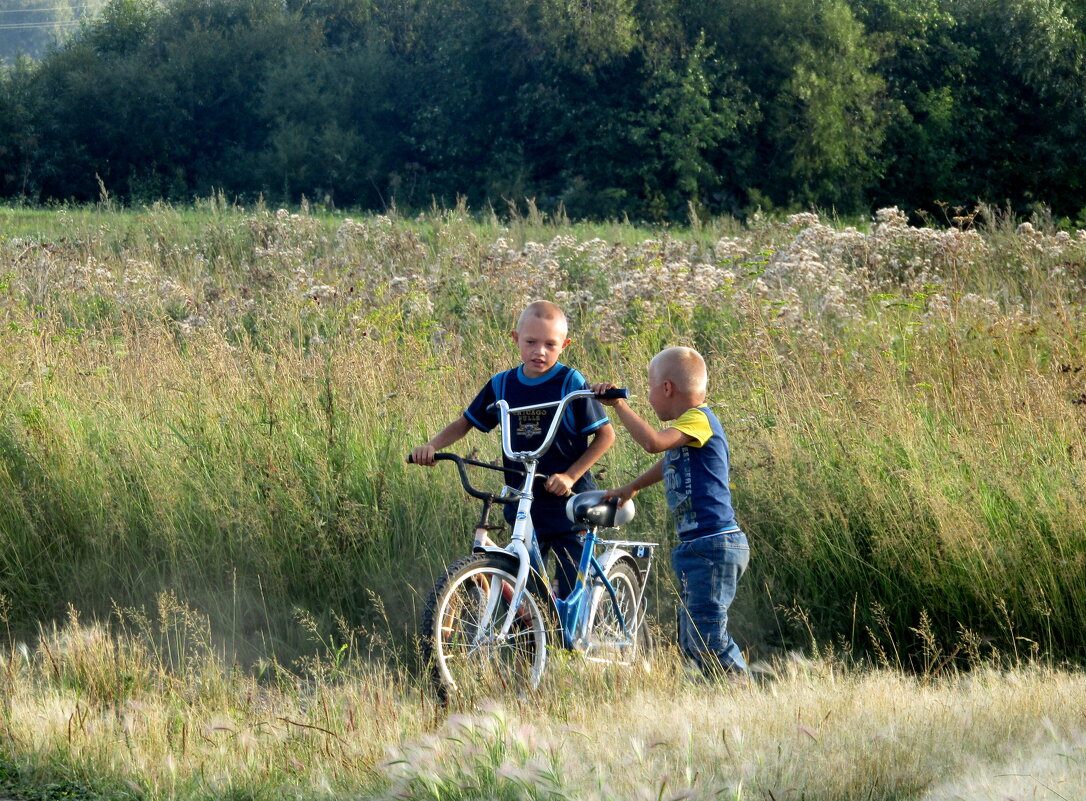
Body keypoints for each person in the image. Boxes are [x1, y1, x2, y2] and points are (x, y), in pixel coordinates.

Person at [411, 300, 616, 598]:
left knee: (573, 589)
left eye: (550, 344)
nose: (539, 351)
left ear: (565, 345)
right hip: (523, 501)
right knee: (528, 588)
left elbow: (606, 436)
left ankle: (579, 639)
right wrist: (430, 447)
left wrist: (571, 477)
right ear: (515, 339)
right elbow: (465, 422)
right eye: (531, 342)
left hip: (569, 503)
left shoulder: (569, 382)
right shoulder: (502, 384)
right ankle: (538, 639)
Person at [591, 346, 749, 679]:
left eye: (649, 388)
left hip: (714, 546)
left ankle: (743, 695)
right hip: (698, 547)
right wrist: (632, 486)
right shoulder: (688, 430)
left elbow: (653, 443)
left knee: (709, 638)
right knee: (693, 638)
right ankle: (719, 695)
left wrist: (619, 404)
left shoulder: (700, 419)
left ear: (666, 388)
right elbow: (668, 461)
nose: (648, 398)